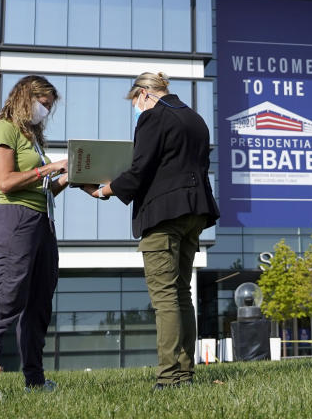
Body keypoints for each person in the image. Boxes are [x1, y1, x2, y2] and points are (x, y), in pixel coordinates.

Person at [90, 72, 219, 390]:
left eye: (135, 101)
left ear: (144, 93)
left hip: (163, 215)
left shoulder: (152, 117)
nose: (136, 107)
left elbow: (140, 169)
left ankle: (168, 377)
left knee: (164, 297)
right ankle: (185, 374)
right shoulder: (195, 118)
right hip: (194, 213)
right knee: (181, 295)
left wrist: (106, 190)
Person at [0, 75, 72, 400]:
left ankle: (35, 380)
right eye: (42, 103)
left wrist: (69, 176)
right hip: (15, 220)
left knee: (39, 303)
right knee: (5, 300)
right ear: (25, 97)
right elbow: (6, 181)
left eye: (49, 106)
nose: (45, 110)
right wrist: (49, 168)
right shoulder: (3, 130)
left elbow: (44, 190)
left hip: (42, 221)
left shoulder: (33, 140)